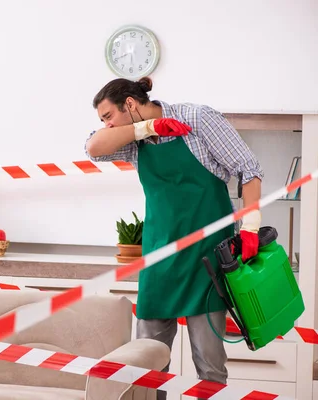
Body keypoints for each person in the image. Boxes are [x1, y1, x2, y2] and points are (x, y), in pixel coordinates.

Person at [84, 77, 264, 399]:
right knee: (146, 365)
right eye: (102, 121)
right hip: (160, 257)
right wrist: (147, 129)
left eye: (108, 116)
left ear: (130, 103)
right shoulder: (132, 140)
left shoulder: (196, 118)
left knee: (209, 366)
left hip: (206, 260)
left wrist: (250, 226)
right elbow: (93, 148)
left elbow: (249, 169)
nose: (107, 126)